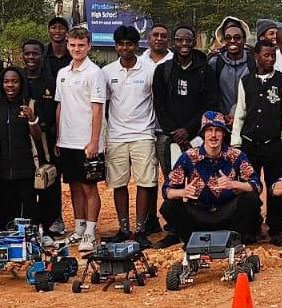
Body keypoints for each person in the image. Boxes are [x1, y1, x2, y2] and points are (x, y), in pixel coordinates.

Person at [159, 111, 262, 245]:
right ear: (203, 134)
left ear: (223, 133)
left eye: (218, 130)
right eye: (209, 130)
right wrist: (183, 192)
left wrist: (234, 184)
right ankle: (192, 241)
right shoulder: (188, 156)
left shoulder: (236, 155)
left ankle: (235, 240)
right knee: (169, 205)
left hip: (228, 214)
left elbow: (256, 185)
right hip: (199, 213)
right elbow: (167, 190)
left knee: (251, 199)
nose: (213, 135)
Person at [231, 39, 282, 246]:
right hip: (249, 143)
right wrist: (236, 141)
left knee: (274, 186)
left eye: (273, 56)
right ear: (256, 56)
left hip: (273, 143)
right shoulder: (245, 81)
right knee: (249, 186)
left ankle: (275, 228)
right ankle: (251, 228)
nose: (270, 59)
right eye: (266, 55)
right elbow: (240, 112)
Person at [103, 25, 160, 246]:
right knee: (119, 183)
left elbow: (157, 100)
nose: (125, 48)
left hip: (143, 134)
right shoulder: (107, 72)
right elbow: (104, 104)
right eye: (121, 44)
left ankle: (140, 230)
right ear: (115, 46)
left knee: (145, 182)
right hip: (116, 136)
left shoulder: (149, 69)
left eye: (129, 44)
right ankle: (124, 229)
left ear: (136, 46)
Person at [55, 26, 106, 252]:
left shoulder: (95, 73)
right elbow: (60, 106)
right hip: (66, 141)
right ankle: (78, 229)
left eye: (81, 45)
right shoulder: (62, 73)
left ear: (89, 46)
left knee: (89, 188)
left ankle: (90, 232)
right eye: (73, 45)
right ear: (67, 45)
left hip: (87, 142)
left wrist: (94, 141)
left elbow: (97, 109)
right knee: (74, 186)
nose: (77, 49)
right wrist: (58, 137)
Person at [153, 25, 219, 184]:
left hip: (197, 135)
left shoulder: (206, 71)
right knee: (174, 182)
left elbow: (210, 105)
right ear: (172, 43)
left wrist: (188, 130)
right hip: (170, 137)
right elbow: (159, 104)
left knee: (200, 182)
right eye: (179, 40)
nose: (184, 44)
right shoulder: (163, 70)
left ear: (194, 42)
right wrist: (175, 132)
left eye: (188, 40)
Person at [0, 68, 41, 236]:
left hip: (25, 168)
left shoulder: (30, 105)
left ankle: (31, 239)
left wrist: (32, 119)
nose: (10, 85)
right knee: (4, 210)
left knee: (28, 209)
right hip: (0, 169)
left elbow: (38, 137)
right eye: (6, 81)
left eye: (14, 81)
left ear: (21, 84)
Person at [20, 39, 65, 236]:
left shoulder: (51, 81)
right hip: (23, 141)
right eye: (27, 53)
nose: (31, 57)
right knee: (28, 184)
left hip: (48, 140)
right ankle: (31, 225)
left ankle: (52, 223)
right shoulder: (18, 79)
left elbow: (59, 111)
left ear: (42, 56)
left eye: (35, 53)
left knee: (50, 181)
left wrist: (57, 139)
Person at [209, 24, 256, 121]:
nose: (232, 41)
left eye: (237, 37)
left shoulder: (253, 63)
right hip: (222, 122)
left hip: (249, 121)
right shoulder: (215, 63)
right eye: (228, 38)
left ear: (244, 40)